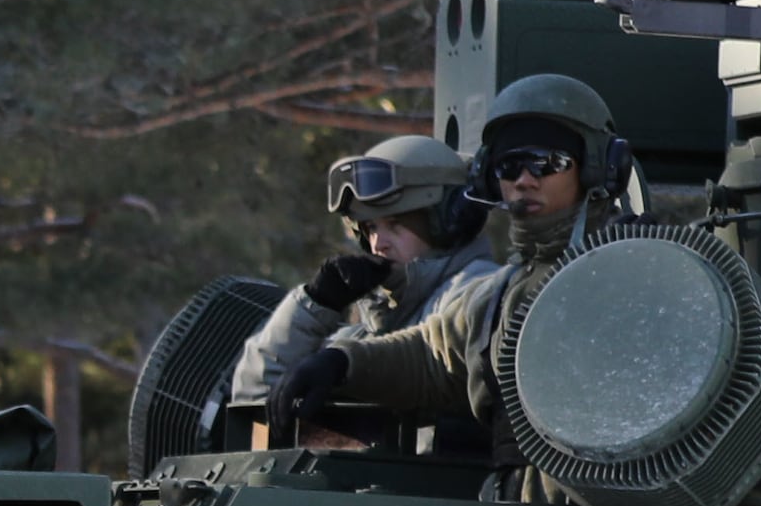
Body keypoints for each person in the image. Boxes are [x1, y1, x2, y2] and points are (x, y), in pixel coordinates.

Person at [275, 73, 634, 444]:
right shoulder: (498, 295)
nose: (524, 180)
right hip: (516, 497)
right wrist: (343, 362)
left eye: (546, 163)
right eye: (509, 167)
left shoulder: (627, 272)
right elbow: (431, 357)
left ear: (596, 167)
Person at [227, 135, 492, 449]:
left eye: (396, 224)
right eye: (371, 228)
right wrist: (315, 305)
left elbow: (436, 382)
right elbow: (258, 401)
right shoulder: (377, 321)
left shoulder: (481, 296)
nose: (379, 243)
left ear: (448, 221)